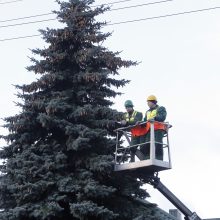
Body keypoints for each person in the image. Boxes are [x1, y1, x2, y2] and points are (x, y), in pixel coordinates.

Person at [140, 95, 167, 160]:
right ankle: (147, 157)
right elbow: (145, 120)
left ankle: (159, 158)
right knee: (147, 144)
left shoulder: (160, 108)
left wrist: (154, 118)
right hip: (150, 130)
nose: (147, 103)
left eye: (148, 102)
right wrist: (140, 123)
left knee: (158, 143)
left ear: (153, 102)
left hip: (159, 129)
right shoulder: (147, 112)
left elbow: (162, 117)